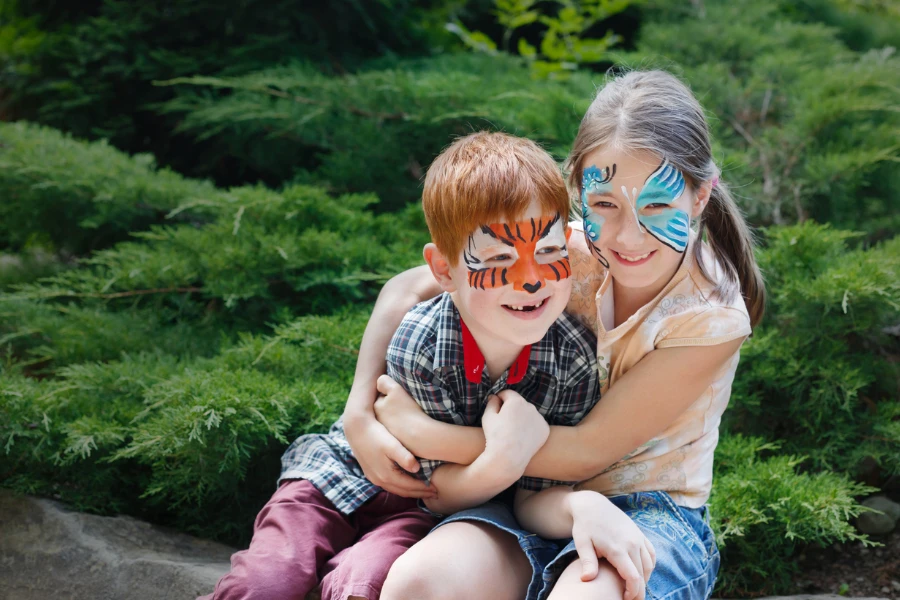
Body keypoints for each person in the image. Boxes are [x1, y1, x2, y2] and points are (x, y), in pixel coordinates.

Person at [343, 70, 766, 600]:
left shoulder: (711, 315)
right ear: (577, 189)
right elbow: (407, 289)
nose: (627, 236)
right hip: (522, 499)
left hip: (647, 512)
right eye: (605, 204)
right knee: (419, 584)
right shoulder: (556, 252)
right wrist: (359, 412)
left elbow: (584, 453)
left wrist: (423, 435)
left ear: (701, 195)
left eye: (657, 205)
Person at [200, 131, 624, 600]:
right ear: (444, 271)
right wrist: (505, 458)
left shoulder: (570, 364)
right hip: (338, 478)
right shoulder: (425, 340)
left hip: (417, 515)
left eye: (547, 252)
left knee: (360, 586)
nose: (530, 281)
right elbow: (430, 476)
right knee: (269, 582)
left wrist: (548, 485)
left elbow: (500, 497)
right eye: (501, 258)